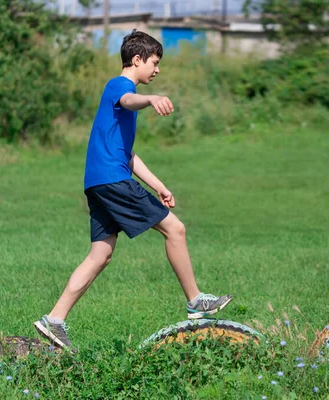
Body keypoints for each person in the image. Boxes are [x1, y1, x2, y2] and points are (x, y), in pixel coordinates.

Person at [33, 30, 232, 348]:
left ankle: (54, 319)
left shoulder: (120, 98)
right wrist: (151, 99)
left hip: (99, 181)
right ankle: (195, 300)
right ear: (136, 60)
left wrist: (158, 186)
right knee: (175, 230)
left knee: (100, 255)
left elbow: (127, 154)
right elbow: (130, 100)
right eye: (154, 62)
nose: (158, 69)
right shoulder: (120, 86)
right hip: (112, 180)